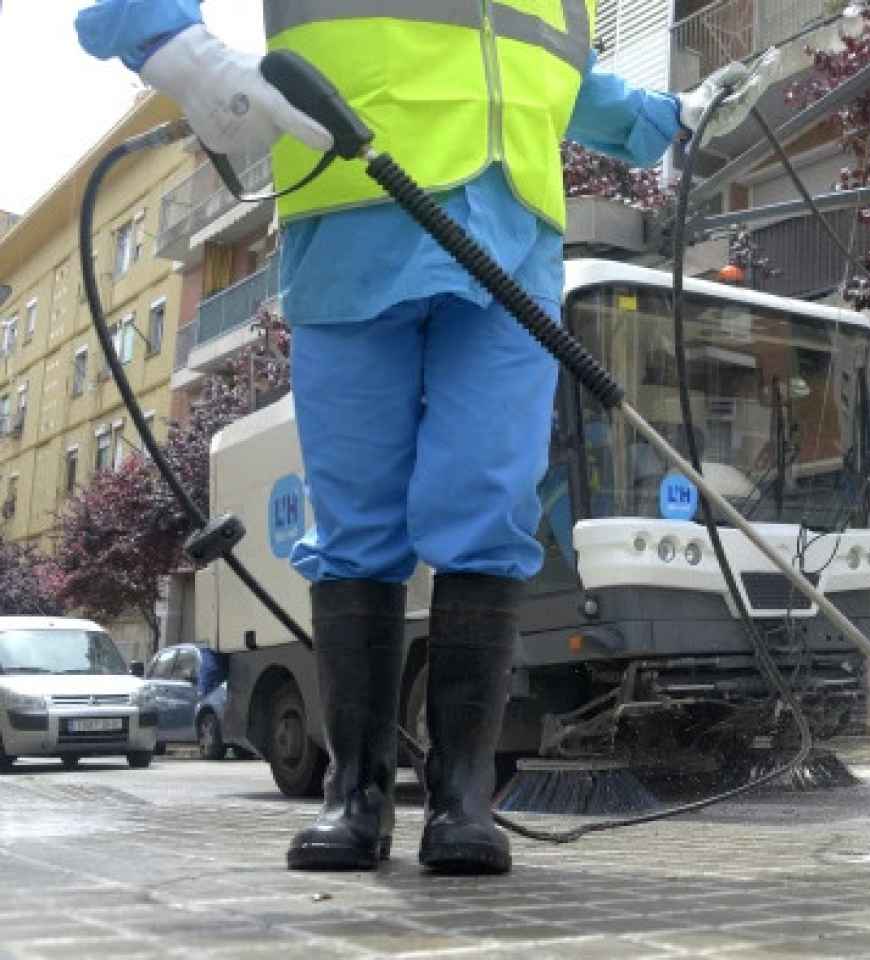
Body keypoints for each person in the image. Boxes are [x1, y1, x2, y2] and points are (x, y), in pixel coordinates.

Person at [76, 0, 774, 875]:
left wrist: (674, 118)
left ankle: (462, 798)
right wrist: (168, 42)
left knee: (488, 505)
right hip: (358, 218)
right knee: (359, 522)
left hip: (512, 245)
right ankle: (357, 795)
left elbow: (563, 85)